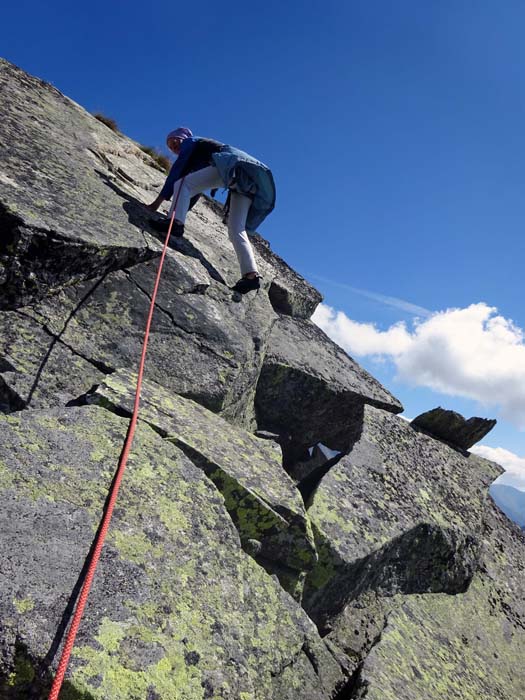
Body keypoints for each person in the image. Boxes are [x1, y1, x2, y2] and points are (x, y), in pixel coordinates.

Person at [146, 127, 276, 294]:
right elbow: (195, 191)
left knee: (182, 183)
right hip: (248, 181)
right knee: (237, 229)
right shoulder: (203, 155)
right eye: (170, 147)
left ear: (183, 138)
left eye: (174, 142)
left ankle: (174, 222)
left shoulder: (192, 142)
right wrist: (181, 213)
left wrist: (158, 205)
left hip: (232, 165)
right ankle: (251, 276)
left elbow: (178, 173)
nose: (174, 147)